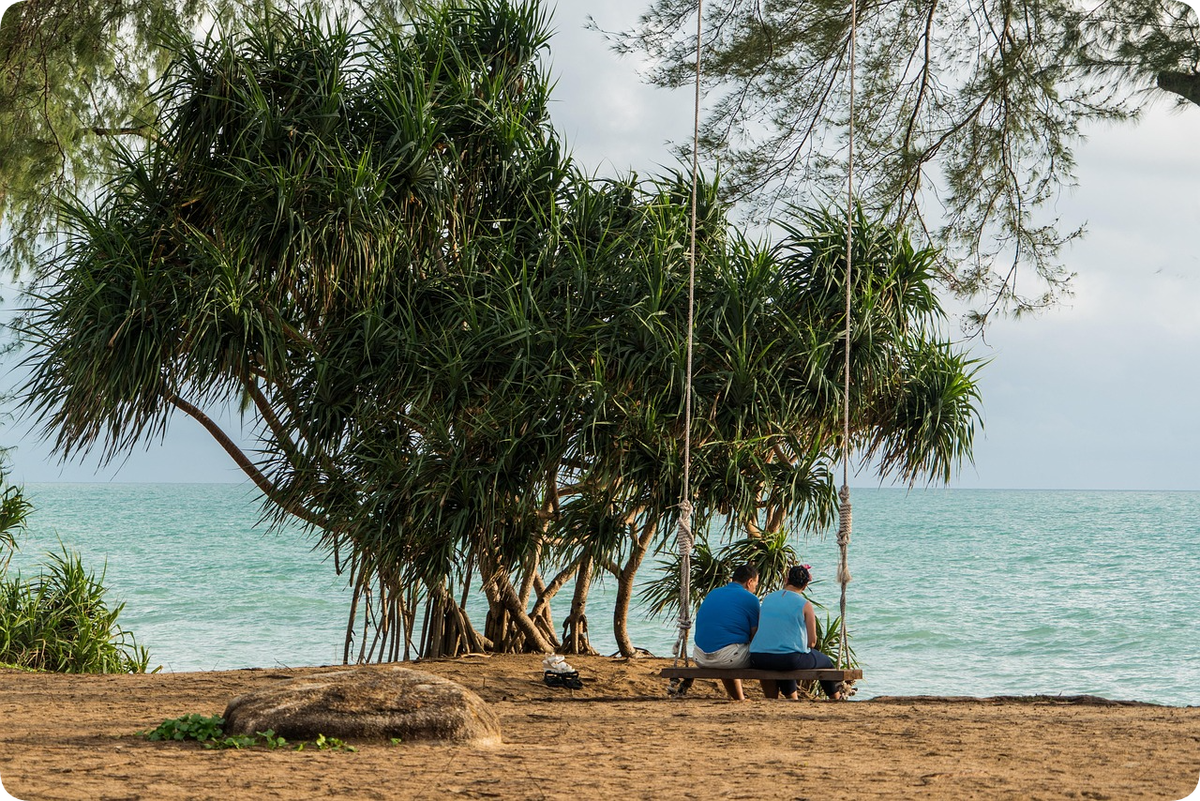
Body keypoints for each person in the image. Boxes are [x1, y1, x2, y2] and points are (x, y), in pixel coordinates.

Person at [749, 564, 842, 700]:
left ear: (786, 580)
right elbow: (812, 642)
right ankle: (836, 699)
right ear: (805, 585)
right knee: (825, 662)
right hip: (787, 659)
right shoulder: (805, 604)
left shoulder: (768, 599)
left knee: (786, 659)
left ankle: (792, 698)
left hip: (759, 658)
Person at [692, 563, 760, 700]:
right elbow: (755, 636)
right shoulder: (751, 599)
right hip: (727, 658)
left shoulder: (713, 593)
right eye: (756, 585)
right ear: (750, 582)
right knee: (765, 654)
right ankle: (778, 697)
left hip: (699, 657)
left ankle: (739, 698)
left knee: (728, 647)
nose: (755, 589)